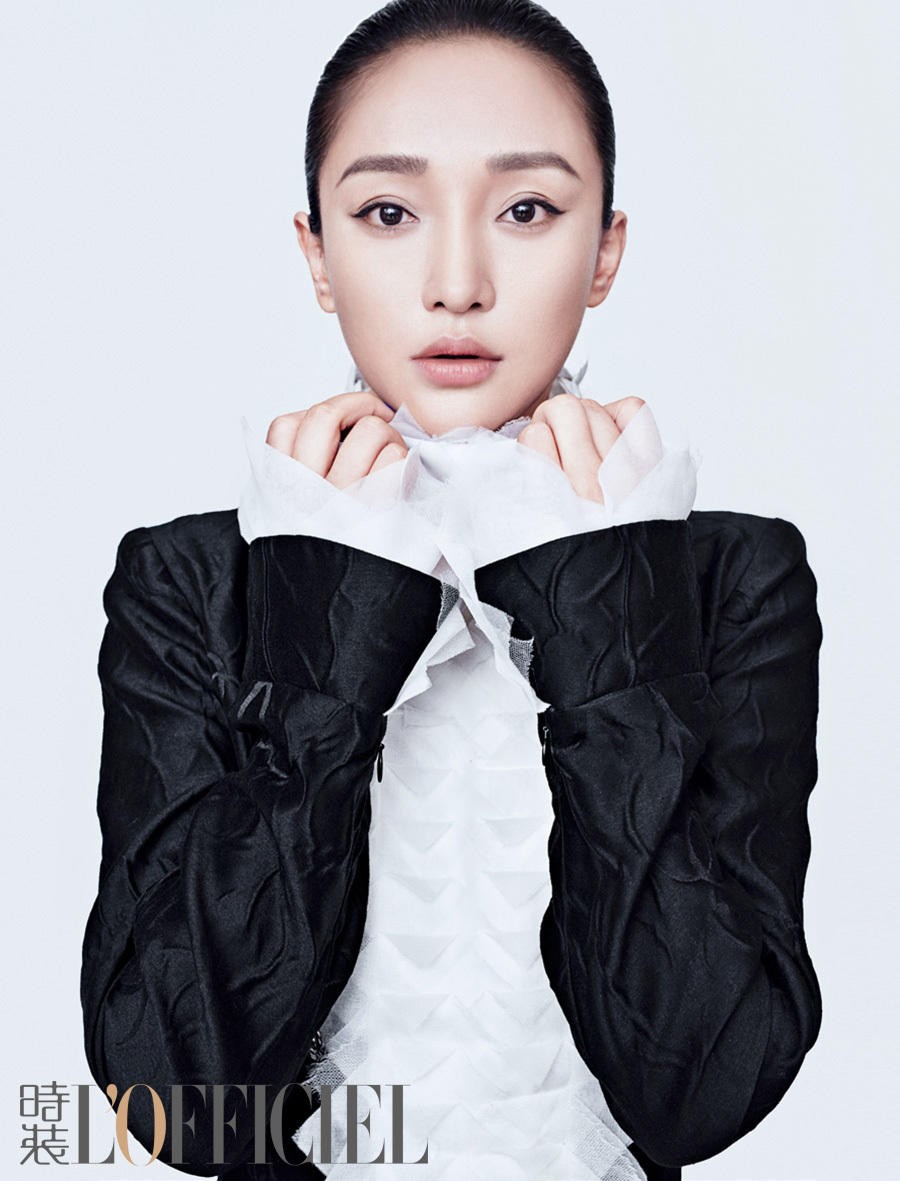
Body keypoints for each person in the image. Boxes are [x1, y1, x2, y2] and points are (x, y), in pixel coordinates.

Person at [79, 2, 823, 1179]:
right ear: (318, 255)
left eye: (527, 210)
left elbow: (700, 1087)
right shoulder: (192, 580)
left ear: (605, 250)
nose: (457, 283)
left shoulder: (730, 577)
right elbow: (176, 1090)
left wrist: (605, 604)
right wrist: (329, 620)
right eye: (388, 212)